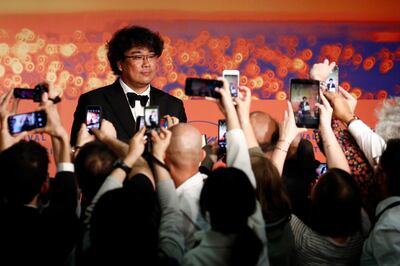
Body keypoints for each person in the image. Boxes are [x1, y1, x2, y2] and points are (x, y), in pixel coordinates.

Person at [71, 25, 187, 145]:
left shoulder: (174, 106)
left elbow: (183, 156)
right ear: (120, 64)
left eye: (151, 56)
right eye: (138, 57)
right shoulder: (94, 101)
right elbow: (83, 154)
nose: (146, 63)